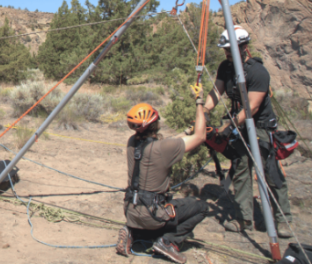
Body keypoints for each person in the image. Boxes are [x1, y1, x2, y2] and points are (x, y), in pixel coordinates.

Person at [203, 26, 292, 237]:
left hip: (260, 127)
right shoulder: (225, 67)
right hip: (240, 126)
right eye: (225, 48)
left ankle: (283, 221)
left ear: (243, 47)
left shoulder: (257, 71)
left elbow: (252, 107)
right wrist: (204, 109)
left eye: (230, 48)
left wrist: (229, 127)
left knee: (271, 173)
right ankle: (244, 219)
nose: (227, 52)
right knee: (241, 171)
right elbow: (217, 91)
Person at [116, 88, 208, 264]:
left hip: (131, 210)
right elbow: (201, 136)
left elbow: (164, 143)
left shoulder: (132, 142)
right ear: (154, 125)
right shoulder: (164, 149)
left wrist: (185, 133)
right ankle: (168, 242)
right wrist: (199, 102)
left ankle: (133, 231)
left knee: (150, 216)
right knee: (202, 207)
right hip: (153, 214)